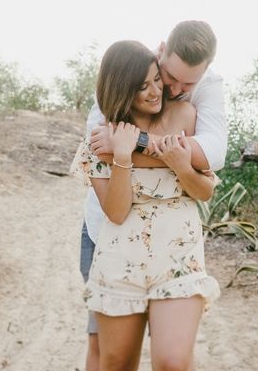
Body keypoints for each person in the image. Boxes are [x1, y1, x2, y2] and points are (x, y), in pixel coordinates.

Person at [71, 39, 221, 371]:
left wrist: (181, 165)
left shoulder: (184, 116)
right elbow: (116, 211)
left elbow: (205, 190)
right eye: (143, 86)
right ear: (122, 90)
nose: (156, 91)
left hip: (178, 256)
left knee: (173, 362)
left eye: (157, 79)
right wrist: (123, 156)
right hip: (120, 260)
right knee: (116, 363)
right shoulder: (100, 140)